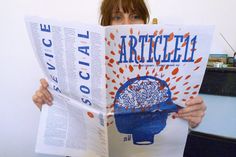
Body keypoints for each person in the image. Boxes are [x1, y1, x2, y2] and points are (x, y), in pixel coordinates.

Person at [32, 0, 206, 128]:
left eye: (135, 16)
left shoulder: (165, 63)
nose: (127, 25)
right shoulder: (83, 62)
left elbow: (175, 120)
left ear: (144, 22)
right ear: (107, 24)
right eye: (117, 17)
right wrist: (49, 104)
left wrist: (192, 119)